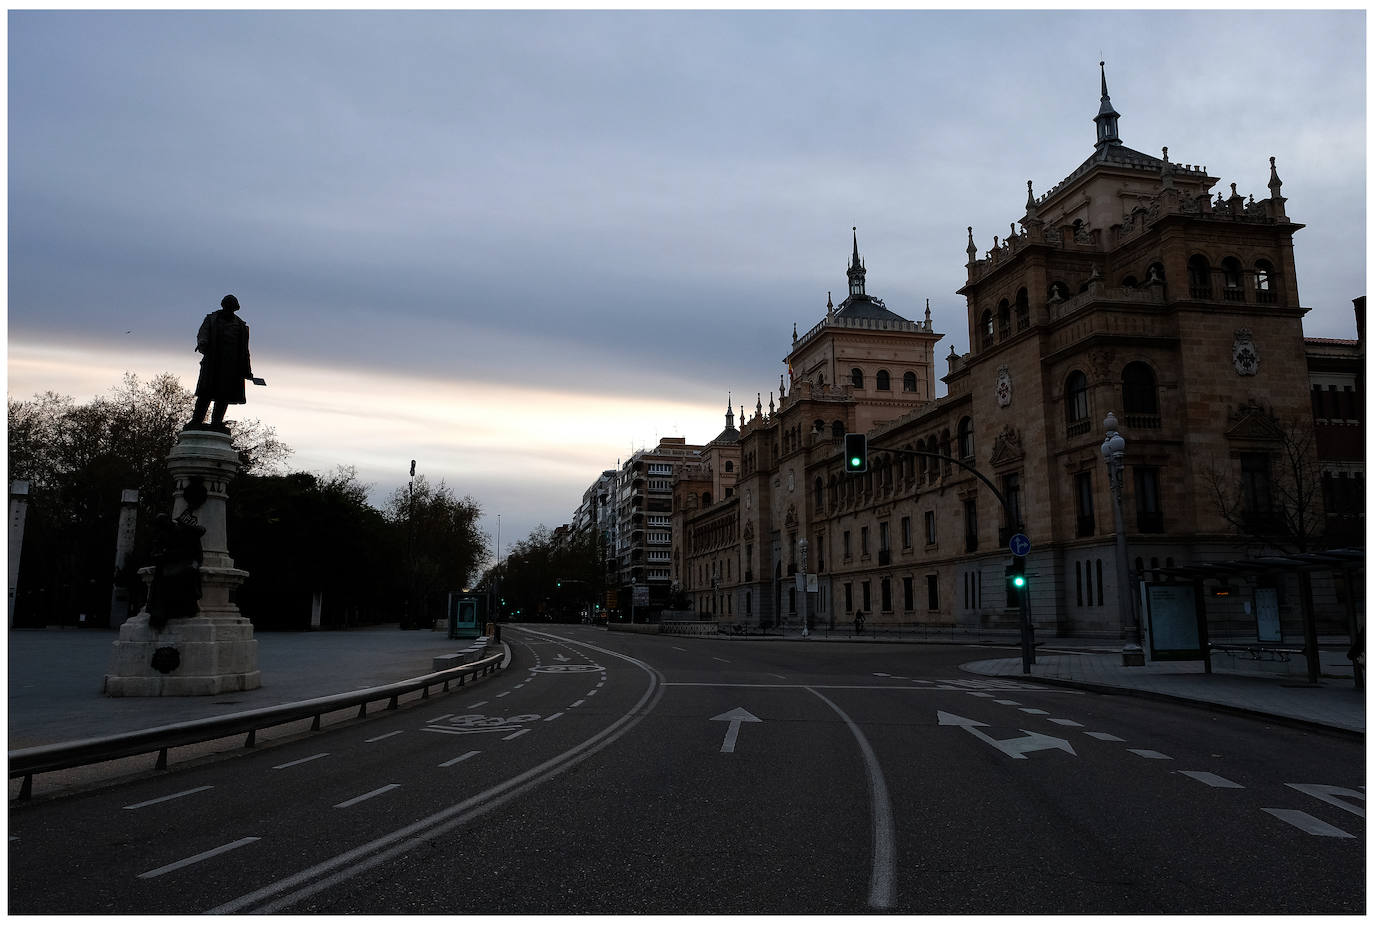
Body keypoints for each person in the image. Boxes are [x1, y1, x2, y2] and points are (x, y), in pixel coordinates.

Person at [187, 294, 259, 429]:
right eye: (227, 306)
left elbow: (244, 350)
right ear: (223, 306)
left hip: (231, 366)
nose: (228, 309)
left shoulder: (241, 326)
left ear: (235, 308)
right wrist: (203, 343)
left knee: (223, 395)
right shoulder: (212, 319)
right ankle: (196, 420)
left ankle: (217, 422)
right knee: (205, 393)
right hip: (212, 362)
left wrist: (246, 370)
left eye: (231, 307)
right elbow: (203, 333)